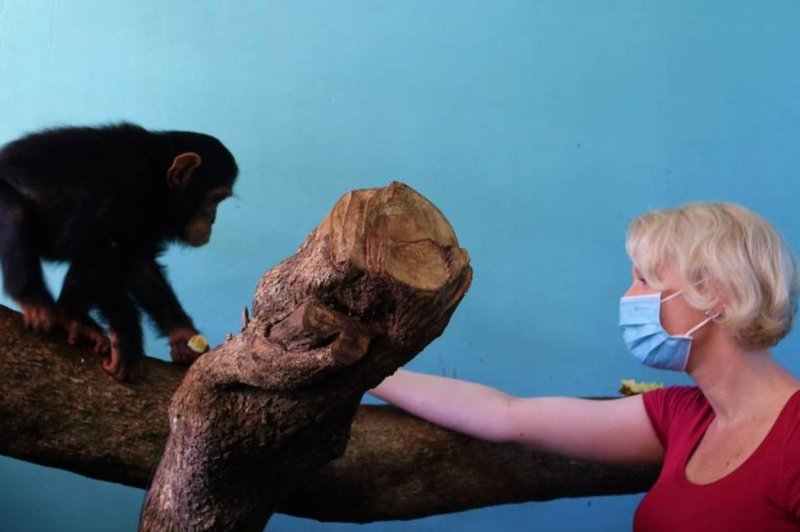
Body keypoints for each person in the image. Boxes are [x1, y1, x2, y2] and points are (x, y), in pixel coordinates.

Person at [370, 202, 800, 530]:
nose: (630, 297)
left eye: (645, 280)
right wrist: (368, 369)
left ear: (717, 294)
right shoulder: (684, 416)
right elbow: (508, 416)